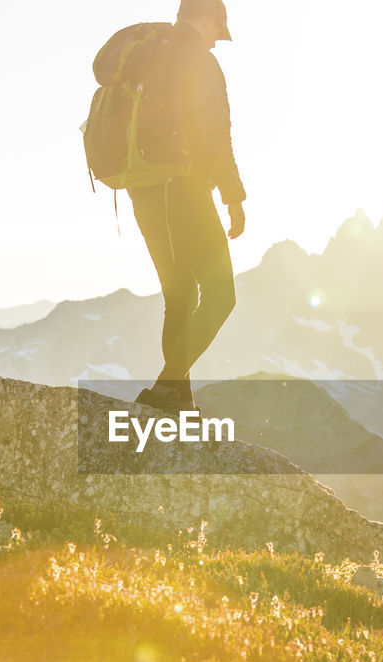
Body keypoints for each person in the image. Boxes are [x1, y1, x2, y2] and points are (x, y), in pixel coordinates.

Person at [124, 0, 245, 414]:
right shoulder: (197, 61)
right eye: (218, 30)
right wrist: (234, 197)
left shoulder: (150, 53)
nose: (216, 41)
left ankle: (178, 397)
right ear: (209, 17)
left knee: (179, 295)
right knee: (220, 295)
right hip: (184, 190)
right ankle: (165, 389)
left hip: (142, 189)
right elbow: (215, 136)